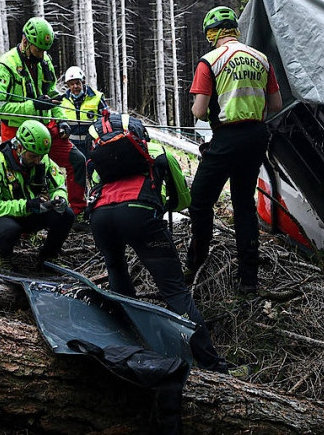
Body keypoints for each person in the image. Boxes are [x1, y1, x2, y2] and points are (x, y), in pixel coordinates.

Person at [87, 114, 228, 372]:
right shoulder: (159, 153)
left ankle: (130, 345)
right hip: (139, 216)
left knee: (117, 271)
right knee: (174, 291)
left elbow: (95, 189)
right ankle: (212, 364)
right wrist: (159, 204)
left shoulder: (100, 157)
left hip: (101, 218)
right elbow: (183, 200)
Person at [185, 5, 282, 295]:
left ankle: (195, 262)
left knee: (200, 201)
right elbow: (275, 106)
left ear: (211, 34)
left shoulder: (209, 61)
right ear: (236, 30)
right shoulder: (261, 59)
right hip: (256, 137)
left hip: (226, 137)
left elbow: (199, 110)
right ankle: (248, 281)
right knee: (244, 205)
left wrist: (202, 109)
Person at [0, 17, 87, 215]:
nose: (42, 55)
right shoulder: (5, 66)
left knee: (77, 159)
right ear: (26, 42)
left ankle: (77, 211)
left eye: (45, 50)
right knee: (21, 179)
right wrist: (33, 106)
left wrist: (61, 120)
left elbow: (52, 94)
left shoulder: (44, 61)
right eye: (39, 50)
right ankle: (24, 222)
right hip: (17, 131)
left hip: (46, 127)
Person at [0, 119, 75, 268]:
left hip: (28, 210)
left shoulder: (42, 158)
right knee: (10, 229)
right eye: (32, 156)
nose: (37, 161)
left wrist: (60, 197)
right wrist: (26, 205)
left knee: (66, 214)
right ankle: (3, 258)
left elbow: (58, 183)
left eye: (40, 156)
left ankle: (49, 257)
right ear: (19, 147)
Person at [56, 66, 106, 160]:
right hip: (72, 146)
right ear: (68, 85)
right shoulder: (62, 101)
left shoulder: (97, 97)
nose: (75, 87)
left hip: (92, 144)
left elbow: (106, 119)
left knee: (93, 170)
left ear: (83, 82)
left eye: (77, 83)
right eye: (71, 84)